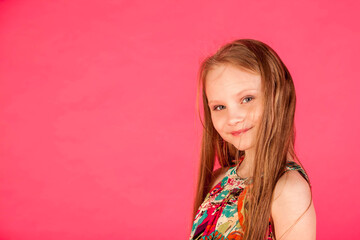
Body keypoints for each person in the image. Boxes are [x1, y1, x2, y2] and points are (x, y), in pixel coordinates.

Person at [189, 39, 316, 240]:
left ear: (277, 97)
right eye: (219, 107)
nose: (233, 118)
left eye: (247, 99)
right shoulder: (218, 181)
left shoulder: (287, 190)